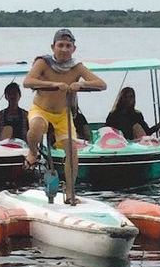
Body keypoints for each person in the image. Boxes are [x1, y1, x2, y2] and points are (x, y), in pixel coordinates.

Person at [23, 28, 107, 204]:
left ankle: (70, 193)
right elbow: (28, 81)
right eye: (60, 45)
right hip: (41, 109)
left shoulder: (77, 67)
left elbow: (101, 84)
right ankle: (32, 152)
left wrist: (81, 85)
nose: (64, 49)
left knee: (72, 150)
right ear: (53, 47)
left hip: (63, 114)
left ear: (73, 49)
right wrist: (54, 84)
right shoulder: (43, 62)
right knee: (37, 128)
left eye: (68, 46)